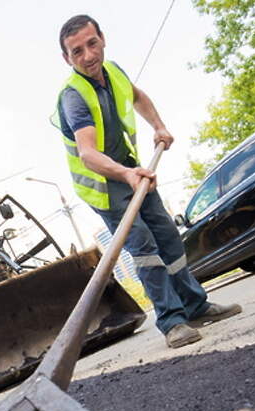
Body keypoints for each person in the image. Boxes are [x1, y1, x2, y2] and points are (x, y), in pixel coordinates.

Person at [55, 14, 241, 348]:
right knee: (143, 246)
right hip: (104, 186)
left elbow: (138, 97)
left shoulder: (114, 72)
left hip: (131, 170)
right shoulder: (74, 97)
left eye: (92, 44)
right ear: (67, 58)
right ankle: (172, 322)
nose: (88, 56)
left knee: (168, 235)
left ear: (102, 39)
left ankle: (195, 306)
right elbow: (87, 154)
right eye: (77, 51)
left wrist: (158, 126)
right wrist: (126, 174)